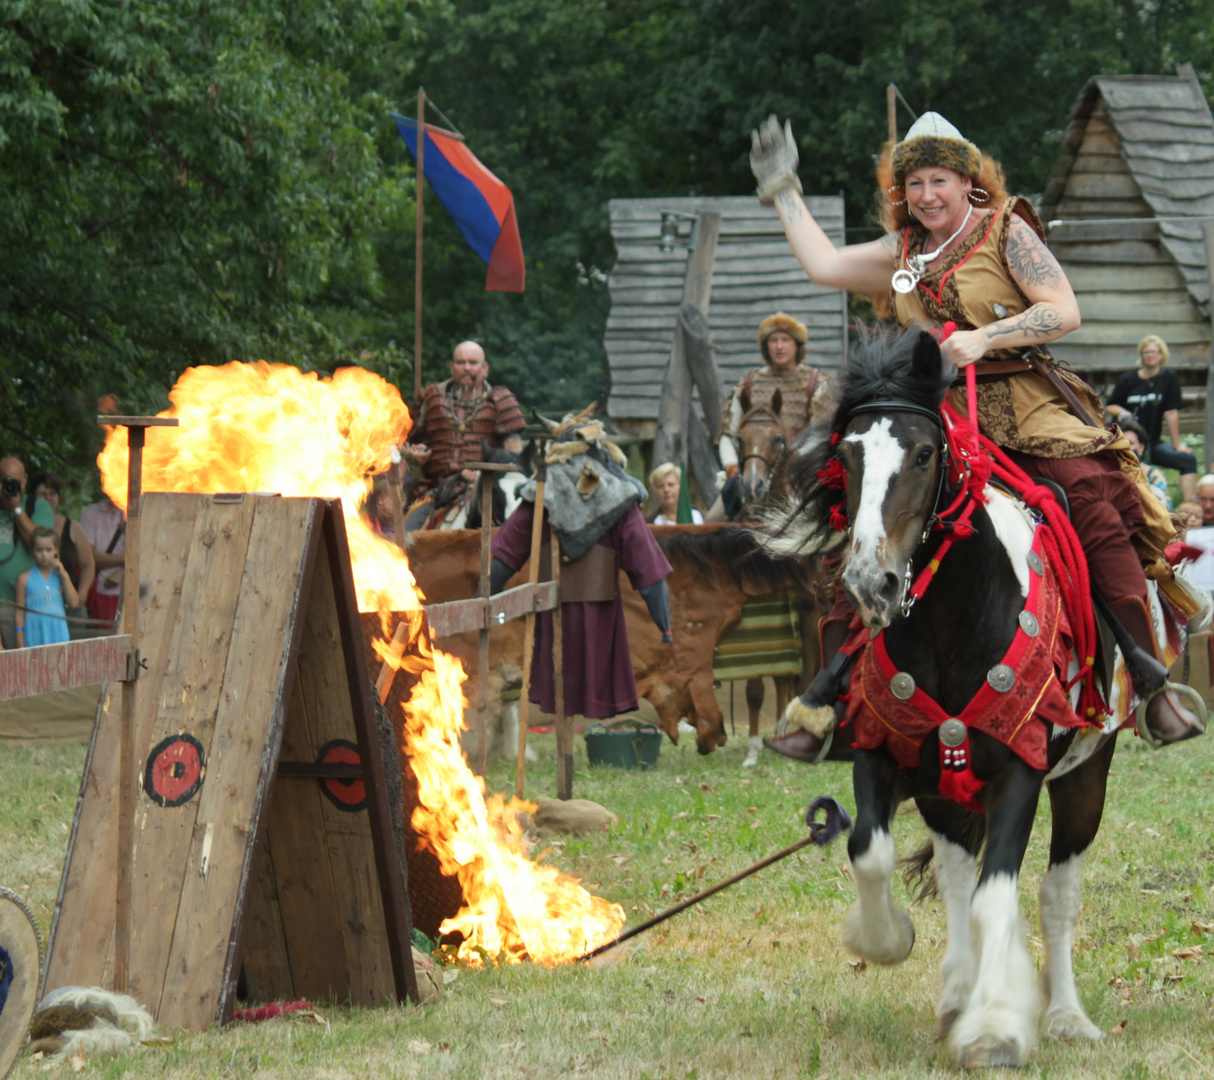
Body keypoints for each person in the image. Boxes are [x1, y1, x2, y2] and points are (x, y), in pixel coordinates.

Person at [748, 110, 1202, 757]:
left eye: (939, 180)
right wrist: (783, 189)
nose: (927, 195)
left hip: (1024, 405)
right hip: (935, 415)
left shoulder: (1005, 230)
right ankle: (832, 699)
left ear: (968, 183)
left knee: (1086, 500)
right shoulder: (900, 252)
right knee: (861, 515)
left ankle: (1149, 679)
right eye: (915, 185)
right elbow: (822, 264)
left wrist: (983, 337)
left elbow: (1063, 310)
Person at [490, 413, 673, 721]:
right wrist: (664, 626)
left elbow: (503, 560)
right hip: (584, 617)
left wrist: (486, 595)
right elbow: (650, 575)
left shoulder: (539, 495)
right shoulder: (617, 496)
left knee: (562, 693)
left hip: (558, 617)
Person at [714, 312, 835, 518]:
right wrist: (732, 466)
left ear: (797, 345)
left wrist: (795, 465)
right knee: (711, 521)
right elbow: (728, 433)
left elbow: (820, 437)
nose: (779, 346)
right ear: (765, 346)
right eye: (773, 340)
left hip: (802, 473)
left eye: (785, 340)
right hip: (753, 470)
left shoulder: (817, 383)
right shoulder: (749, 383)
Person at [404, 341, 527, 500]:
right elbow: (405, 443)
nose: (467, 367)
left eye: (473, 363)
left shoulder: (501, 401)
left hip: (487, 492)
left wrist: (483, 474)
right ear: (452, 367)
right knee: (410, 524)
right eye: (461, 362)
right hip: (436, 490)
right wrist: (414, 455)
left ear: (485, 368)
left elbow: (513, 462)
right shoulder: (431, 399)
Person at [1104, 336, 1197, 501]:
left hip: (1152, 442)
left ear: (1162, 355)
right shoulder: (1128, 379)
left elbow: (1171, 412)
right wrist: (1123, 412)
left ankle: (1189, 507)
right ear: (1141, 355)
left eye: (1153, 352)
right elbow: (1110, 405)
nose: (1150, 355)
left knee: (1188, 459)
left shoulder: (1168, 377)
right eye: (1146, 352)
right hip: (1127, 443)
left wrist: (1177, 445)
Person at [0, 457, 56, 649]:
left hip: (28, 605)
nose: (12, 486)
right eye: (6, 481)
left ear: (25, 479)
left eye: (16, 482)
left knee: (24, 670)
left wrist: (16, 508)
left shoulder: (37, 506)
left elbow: (41, 543)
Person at [27, 471, 96, 626]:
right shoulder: (26, 527)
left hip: (70, 604)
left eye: (53, 494)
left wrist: (82, 594)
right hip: (38, 605)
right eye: (43, 494)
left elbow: (88, 565)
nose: (48, 498)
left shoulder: (73, 527)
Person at [14, 527, 80, 647]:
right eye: (39, 550)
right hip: (34, 633)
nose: (44, 554)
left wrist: (64, 575)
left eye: (49, 549)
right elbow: (19, 613)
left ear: (56, 551)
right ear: (32, 550)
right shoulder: (23, 578)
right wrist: (20, 644)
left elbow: (74, 603)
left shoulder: (60, 576)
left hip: (58, 632)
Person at [79, 494, 126, 629]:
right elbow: (90, 558)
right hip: (104, 593)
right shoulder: (90, 514)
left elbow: (150, 552)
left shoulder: (141, 510)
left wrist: (123, 571)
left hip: (139, 594)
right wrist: (128, 560)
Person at [1119, 418, 1171, 511]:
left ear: (1141, 448)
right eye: (1122, 443)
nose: (1126, 447)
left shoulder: (1153, 475)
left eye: (1131, 443)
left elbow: (1163, 507)